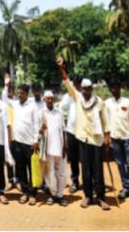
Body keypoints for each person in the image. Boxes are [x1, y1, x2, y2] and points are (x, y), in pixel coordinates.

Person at [57, 58, 110, 210]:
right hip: (83, 139)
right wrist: (62, 68)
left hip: (97, 140)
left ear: (92, 89)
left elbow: (105, 121)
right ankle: (87, 196)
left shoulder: (99, 101)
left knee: (98, 171)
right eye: (84, 88)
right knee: (86, 171)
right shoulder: (78, 98)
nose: (86, 91)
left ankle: (100, 198)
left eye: (88, 88)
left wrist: (107, 138)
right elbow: (67, 83)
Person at [105, 81, 129, 202]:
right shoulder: (107, 103)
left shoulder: (127, 102)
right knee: (120, 164)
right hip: (115, 138)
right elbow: (106, 121)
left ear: (119, 87)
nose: (113, 89)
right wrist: (107, 137)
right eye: (111, 87)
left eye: (115, 86)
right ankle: (125, 188)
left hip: (127, 137)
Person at [10, 83, 40, 205]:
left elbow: (37, 124)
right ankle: (25, 193)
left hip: (30, 144)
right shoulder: (16, 104)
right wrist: (7, 85)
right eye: (18, 93)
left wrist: (35, 140)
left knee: (31, 169)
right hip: (17, 142)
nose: (19, 95)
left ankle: (32, 194)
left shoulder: (33, 106)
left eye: (22, 93)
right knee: (21, 169)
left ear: (27, 94)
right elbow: (5, 98)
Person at [41, 91, 68, 206]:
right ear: (44, 100)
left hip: (59, 147)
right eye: (48, 98)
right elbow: (39, 131)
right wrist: (41, 129)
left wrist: (65, 145)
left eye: (51, 98)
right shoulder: (41, 113)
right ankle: (52, 195)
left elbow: (63, 129)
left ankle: (60, 194)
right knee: (49, 173)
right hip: (48, 148)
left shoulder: (59, 112)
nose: (50, 100)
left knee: (61, 172)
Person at [60, 75, 82, 193]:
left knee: (85, 158)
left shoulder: (84, 96)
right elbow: (61, 108)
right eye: (75, 83)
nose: (77, 85)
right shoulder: (67, 96)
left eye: (79, 83)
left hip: (83, 132)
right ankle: (75, 181)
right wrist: (68, 97)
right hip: (71, 131)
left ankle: (89, 181)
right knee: (73, 158)